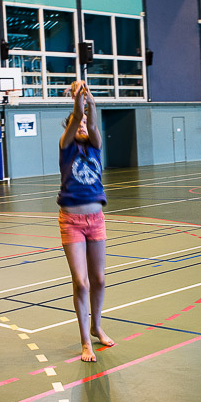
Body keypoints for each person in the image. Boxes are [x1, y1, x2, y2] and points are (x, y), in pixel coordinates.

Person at [58, 80, 114, 362]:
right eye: (76, 124)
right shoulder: (66, 147)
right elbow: (79, 116)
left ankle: (96, 326)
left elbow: (90, 121)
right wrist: (78, 98)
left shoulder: (95, 146)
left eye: (83, 124)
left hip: (96, 219)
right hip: (71, 221)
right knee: (81, 283)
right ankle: (84, 341)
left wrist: (89, 99)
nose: (81, 126)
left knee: (99, 279)